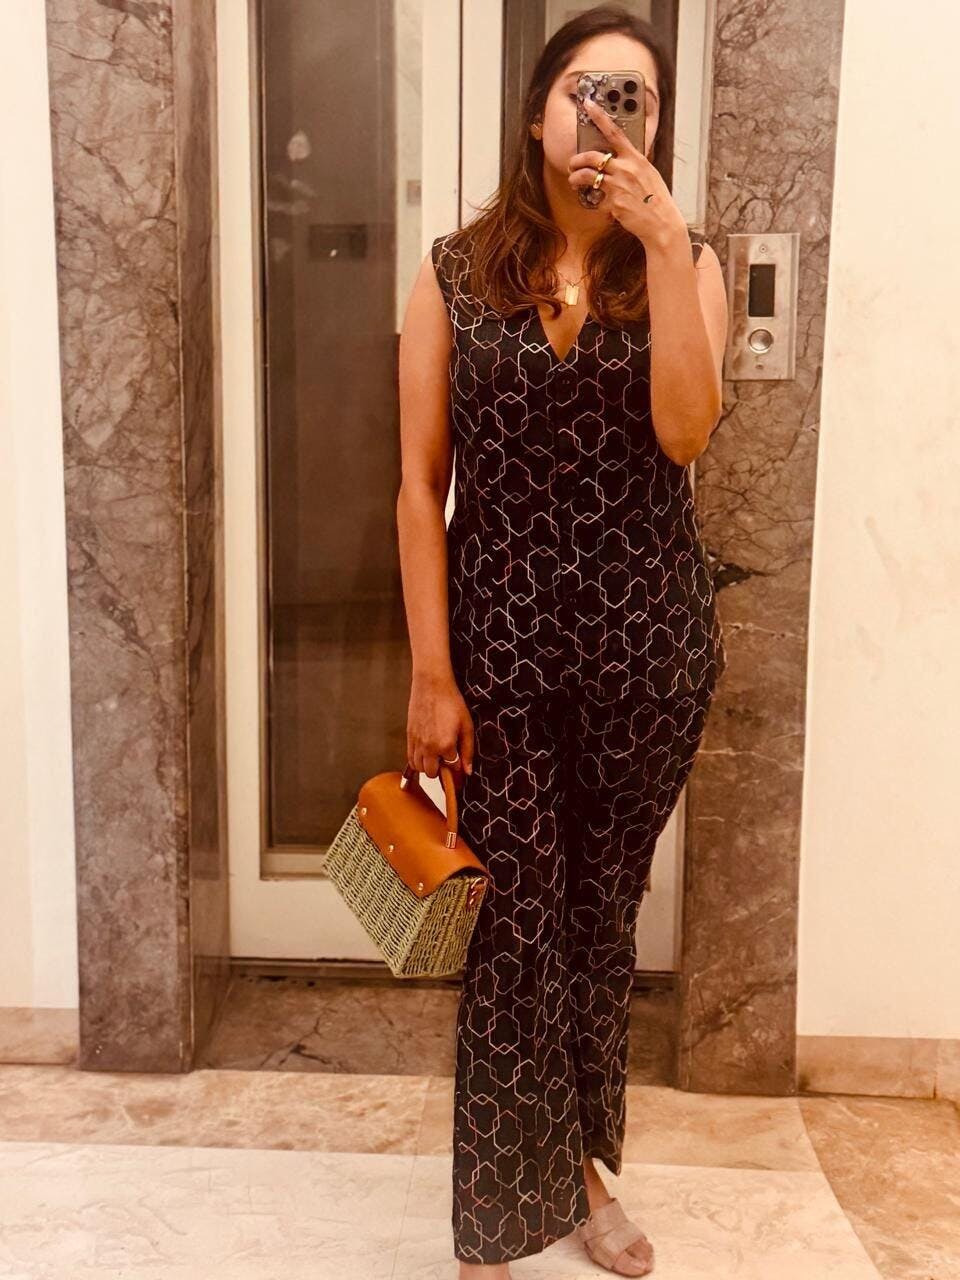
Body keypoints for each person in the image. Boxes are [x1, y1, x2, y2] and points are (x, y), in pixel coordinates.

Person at [396, 5, 727, 1276]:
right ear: (538, 109)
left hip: (648, 653)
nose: (606, 113)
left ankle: (585, 1175)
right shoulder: (454, 272)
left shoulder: (680, 262)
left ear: (657, 125)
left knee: (597, 920)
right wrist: (432, 670)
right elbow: (418, 486)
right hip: (502, 657)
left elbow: (687, 435)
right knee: (513, 925)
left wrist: (666, 241)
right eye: (587, 89)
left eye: (633, 96)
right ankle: (493, 1213)